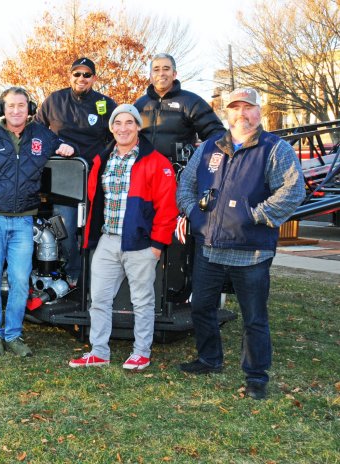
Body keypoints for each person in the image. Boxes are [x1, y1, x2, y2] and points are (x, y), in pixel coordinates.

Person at [176, 88, 305, 399]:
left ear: (258, 113)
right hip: (210, 246)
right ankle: (209, 359)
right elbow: (186, 186)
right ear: (227, 113)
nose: (242, 114)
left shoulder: (274, 149)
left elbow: (293, 190)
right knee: (202, 307)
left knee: (254, 318)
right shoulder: (209, 148)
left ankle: (256, 376)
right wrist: (195, 215)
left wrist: (254, 215)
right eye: (236, 108)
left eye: (248, 108)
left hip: (252, 251)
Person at [0, 87, 74, 357]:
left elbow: (64, 146)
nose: (16, 111)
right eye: (11, 106)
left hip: (24, 222)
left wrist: (66, 146)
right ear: (2, 109)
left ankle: (13, 335)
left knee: (20, 281)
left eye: (21, 106)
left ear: (30, 108)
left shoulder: (41, 135)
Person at [69, 104, 178, 370]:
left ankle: (141, 352)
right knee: (99, 299)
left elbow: (168, 207)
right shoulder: (102, 159)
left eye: (129, 122)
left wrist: (157, 245)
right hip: (108, 240)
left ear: (138, 127)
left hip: (140, 243)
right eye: (118, 123)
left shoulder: (156, 161)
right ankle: (99, 352)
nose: (123, 128)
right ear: (112, 128)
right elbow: (95, 200)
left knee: (142, 300)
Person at [36, 57, 118, 285]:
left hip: (95, 176)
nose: (81, 78)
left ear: (94, 78)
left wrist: (100, 158)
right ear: (70, 76)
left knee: (97, 227)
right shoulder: (54, 100)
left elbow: (116, 138)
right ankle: (73, 271)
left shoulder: (105, 104)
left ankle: (98, 278)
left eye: (87, 75)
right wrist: (56, 146)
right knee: (65, 227)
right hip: (63, 178)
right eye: (77, 74)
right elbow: (38, 133)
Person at [134, 53, 225, 160]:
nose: (161, 73)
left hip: (179, 172)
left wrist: (203, 154)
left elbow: (217, 134)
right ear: (150, 76)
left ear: (174, 74)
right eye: (156, 69)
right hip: (145, 170)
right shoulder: (139, 104)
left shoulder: (192, 101)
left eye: (166, 69)